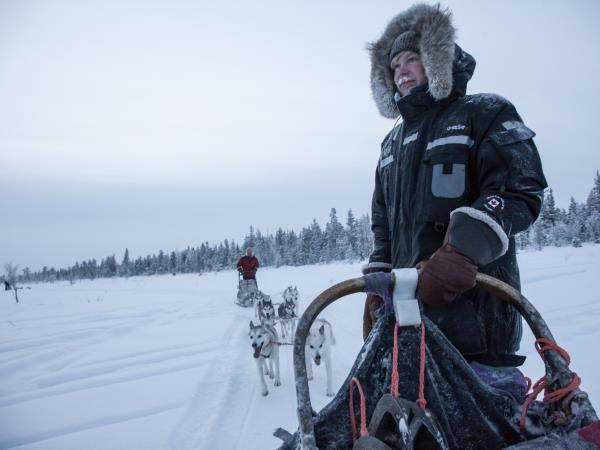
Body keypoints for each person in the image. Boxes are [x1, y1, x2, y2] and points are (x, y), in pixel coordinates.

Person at [362, 4, 548, 369]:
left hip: (475, 320)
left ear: (434, 58)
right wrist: (376, 285)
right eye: (394, 65)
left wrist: (460, 251)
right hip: (405, 321)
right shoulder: (390, 145)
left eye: (411, 59)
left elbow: (519, 190)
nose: (401, 71)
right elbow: (383, 226)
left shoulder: (483, 113)